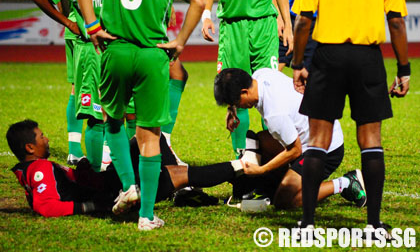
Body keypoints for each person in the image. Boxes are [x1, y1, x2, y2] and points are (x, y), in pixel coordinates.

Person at [7, 120, 363, 220]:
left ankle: (231, 173)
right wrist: (93, 206)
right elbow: (46, 207)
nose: (47, 138)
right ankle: (240, 168)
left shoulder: (36, 166)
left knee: (152, 140)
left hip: (108, 183)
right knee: (177, 172)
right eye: (41, 136)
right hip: (109, 191)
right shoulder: (38, 168)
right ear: (29, 147)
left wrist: (80, 171)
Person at [74, 0, 204, 230]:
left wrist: (92, 27)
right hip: (152, 55)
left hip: (117, 50)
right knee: (150, 136)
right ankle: (146, 217)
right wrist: (180, 41)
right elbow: (198, 2)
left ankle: (128, 187)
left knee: (112, 121)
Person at [290, 0, 410, 233]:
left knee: (318, 140)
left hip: (327, 57)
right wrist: (404, 68)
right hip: (367, 58)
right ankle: (373, 225)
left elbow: (302, 21)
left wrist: (297, 63)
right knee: (371, 141)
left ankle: (308, 224)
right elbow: (397, 22)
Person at [214, 68, 367, 209]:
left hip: (324, 149)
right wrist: (231, 109)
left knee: (284, 201)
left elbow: (295, 150)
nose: (238, 106)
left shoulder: (274, 114)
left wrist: (261, 170)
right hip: (320, 130)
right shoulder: (261, 75)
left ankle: (346, 183)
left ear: (244, 91)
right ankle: (273, 184)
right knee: (261, 140)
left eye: (235, 102)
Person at [200, 0, 293, 158]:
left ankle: (276, 158)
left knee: (270, 95)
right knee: (235, 98)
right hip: (232, 26)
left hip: (264, 25)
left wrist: (288, 24)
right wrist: (206, 16)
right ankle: (241, 162)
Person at [30, 0, 106, 171]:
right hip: (85, 40)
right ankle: (96, 159)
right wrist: (69, 21)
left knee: (79, 90)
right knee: (95, 102)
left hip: (84, 37)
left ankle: (77, 149)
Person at [277, 0, 317, 71]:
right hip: (287, 17)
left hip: (313, 19)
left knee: (308, 69)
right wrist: (278, 17)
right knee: (277, 62)